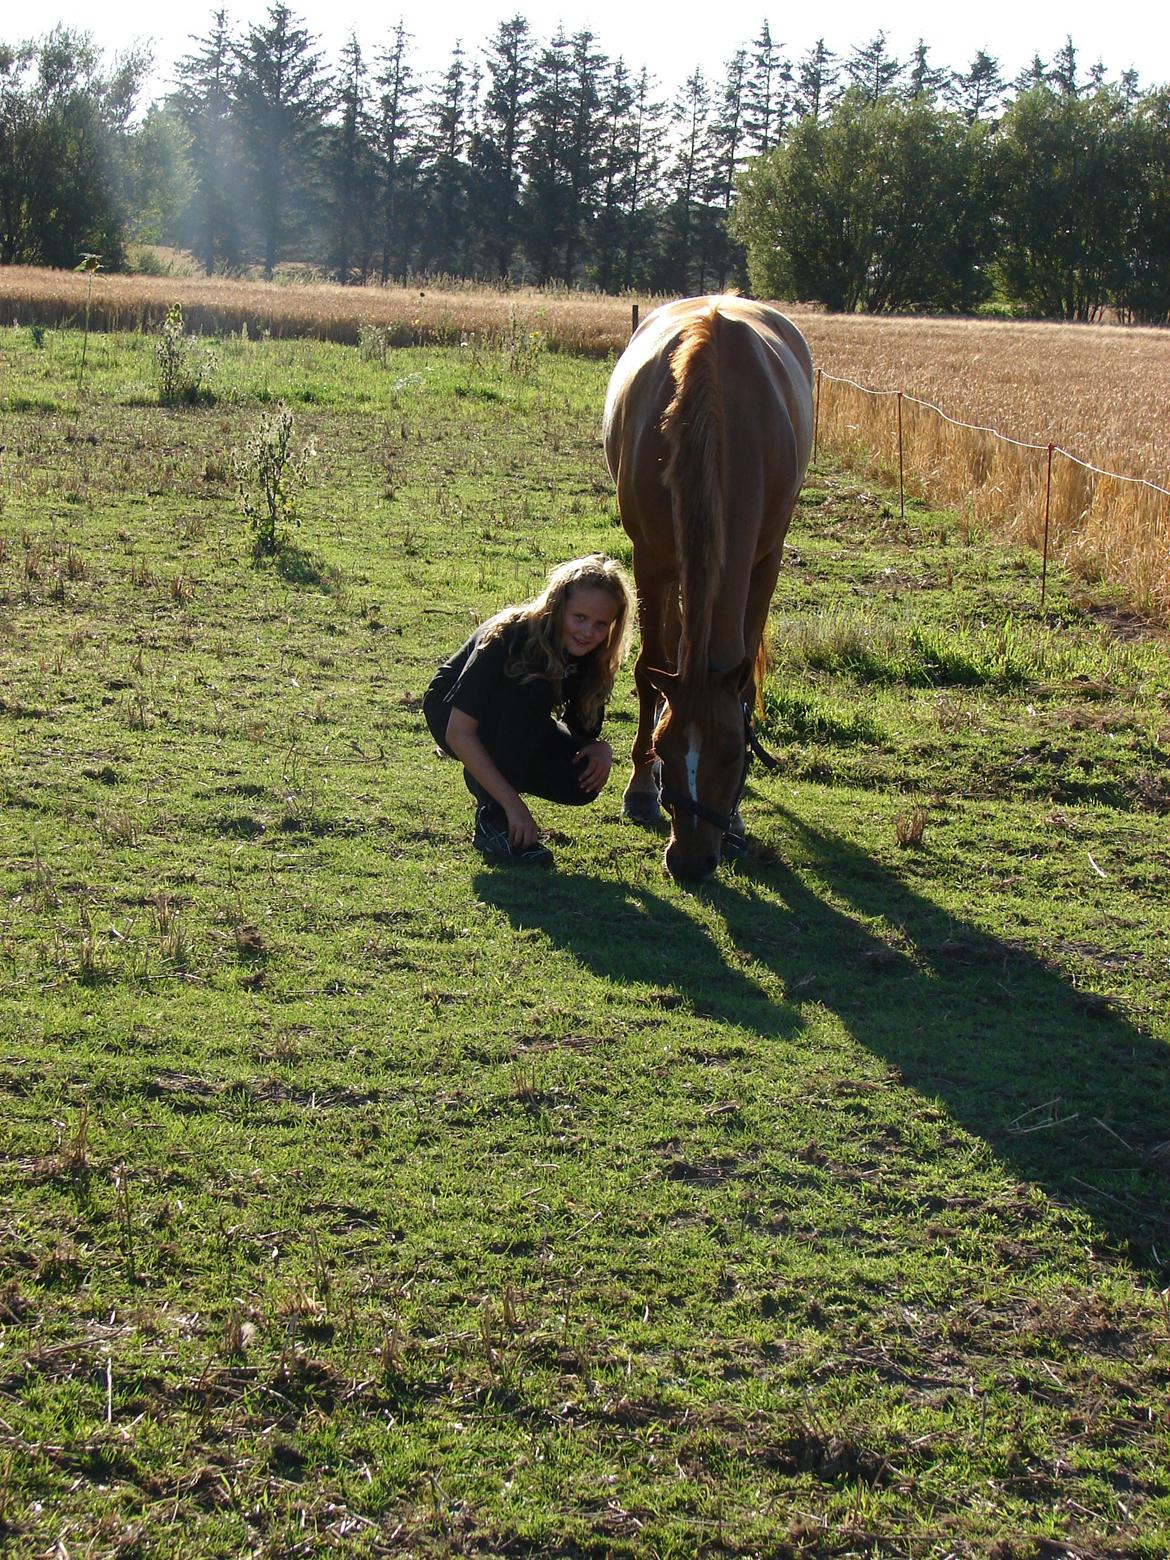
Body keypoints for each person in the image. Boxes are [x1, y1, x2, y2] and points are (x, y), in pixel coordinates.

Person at [423, 555, 634, 865]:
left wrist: (599, 747)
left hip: (516, 719)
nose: (588, 631)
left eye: (601, 624)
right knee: (534, 688)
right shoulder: (510, 635)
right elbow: (459, 732)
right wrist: (513, 805)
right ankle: (494, 822)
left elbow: (581, 733)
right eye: (579, 617)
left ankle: (489, 782)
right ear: (558, 606)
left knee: (581, 779)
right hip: (453, 715)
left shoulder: (593, 657)